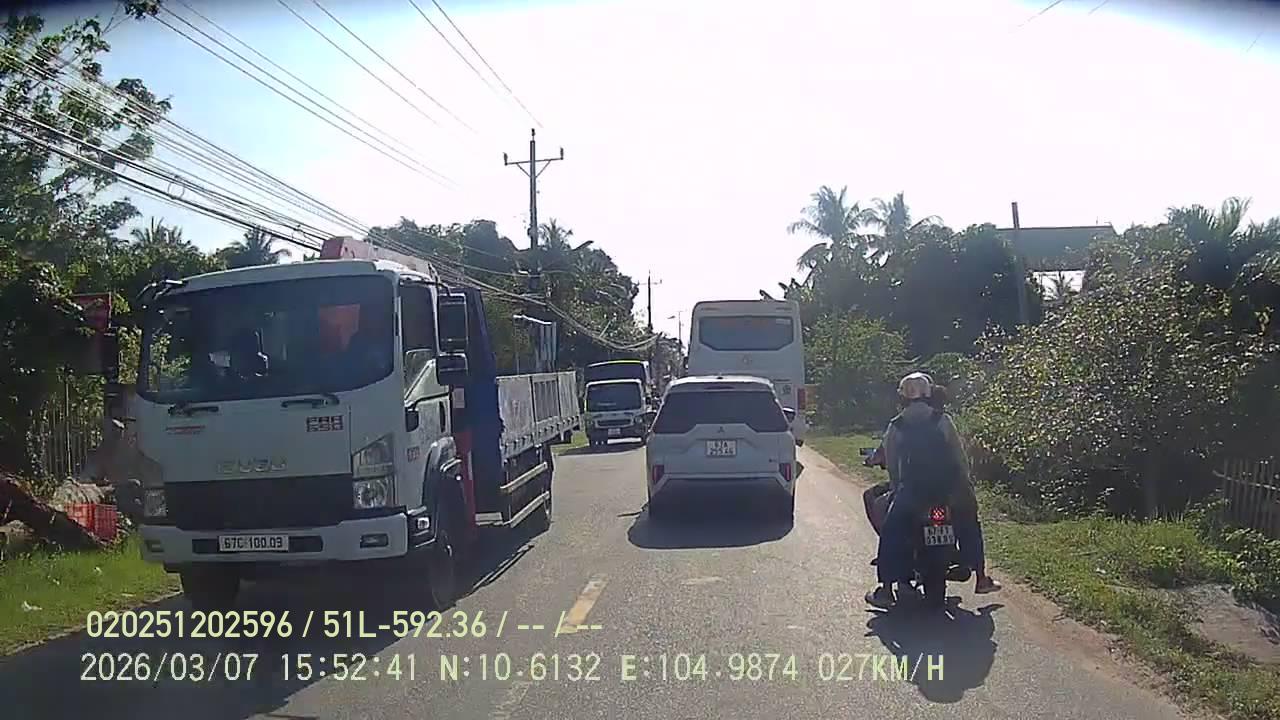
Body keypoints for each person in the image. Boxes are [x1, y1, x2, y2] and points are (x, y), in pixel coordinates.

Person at [865, 373, 1001, 608]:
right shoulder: (942, 420)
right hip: (949, 491)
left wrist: (898, 488)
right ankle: (981, 577)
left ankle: (886, 590)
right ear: (928, 393)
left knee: (891, 532)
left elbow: (894, 465)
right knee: (969, 524)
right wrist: (964, 485)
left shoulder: (897, 425)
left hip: (913, 493)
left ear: (902, 396)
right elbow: (959, 456)